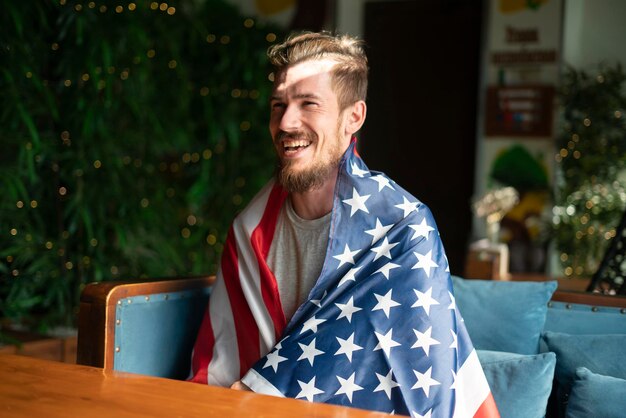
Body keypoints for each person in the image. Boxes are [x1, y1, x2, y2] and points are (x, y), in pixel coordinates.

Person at [188, 31, 499, 417]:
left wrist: (262, 390)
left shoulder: (403, 226)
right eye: (278, 105)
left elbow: (426, 386)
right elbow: (218, 369)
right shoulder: (249, 231)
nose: (286, 122)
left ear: (354, 117)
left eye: (308, 104)